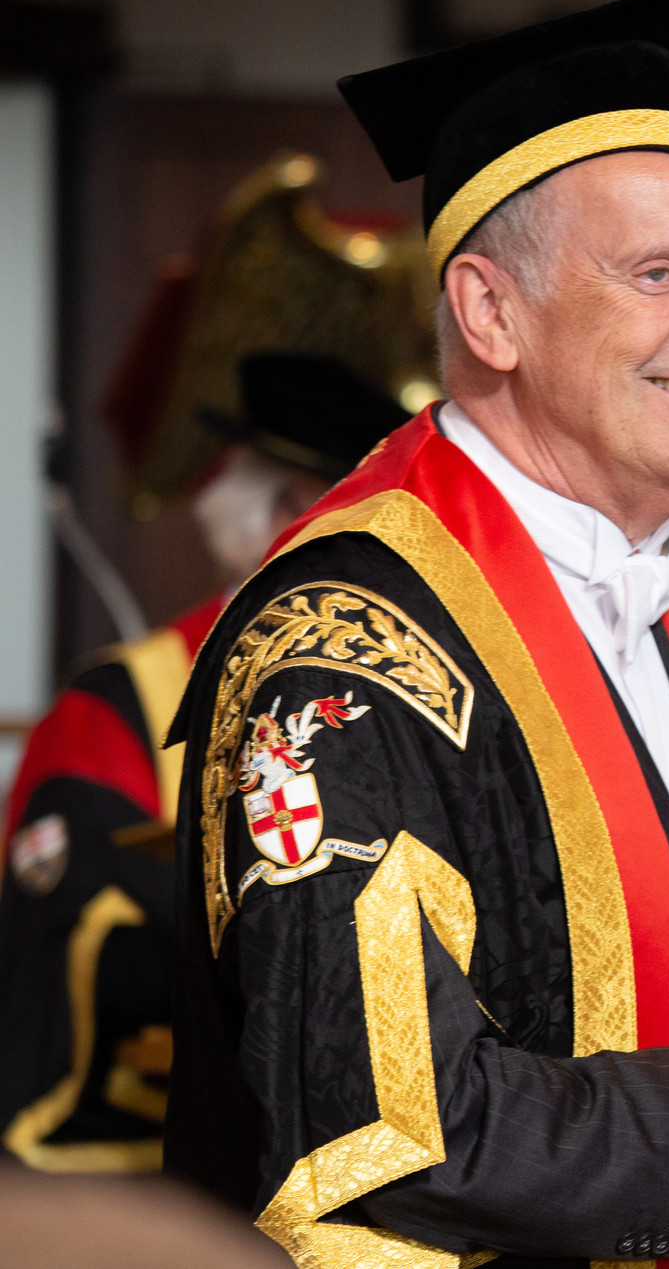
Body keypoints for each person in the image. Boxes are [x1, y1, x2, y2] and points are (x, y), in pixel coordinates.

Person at [163, 0, 669, 1268]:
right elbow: (389, 1137)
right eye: (660, 274)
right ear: (489, 311)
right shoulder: (343, 652)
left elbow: (593, 993)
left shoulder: (656, 612)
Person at [0, 352, 409, 1174]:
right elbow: (71, 926)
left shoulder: (412, 698)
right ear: (295, 514)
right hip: (151, 1168)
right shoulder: (125, 703)